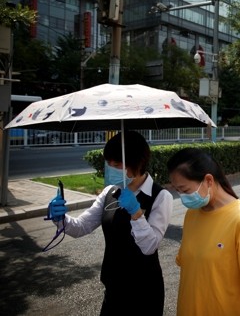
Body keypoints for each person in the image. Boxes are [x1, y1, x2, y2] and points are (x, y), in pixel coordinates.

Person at [48, 131, 173, 316]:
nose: (111, 169)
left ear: (137, 162)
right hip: (113, 287)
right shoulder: (109, 192)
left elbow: (149, 246)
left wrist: (136, 213)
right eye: (109, 164)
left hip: (144, 291)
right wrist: (60, 219)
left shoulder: (160, 196)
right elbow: (82, 226)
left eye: (117, 164)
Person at [166, 148, 240, 316]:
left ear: (208, 180)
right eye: (177, 191)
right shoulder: (192, 214)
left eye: (184, 190)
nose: (182, 197)